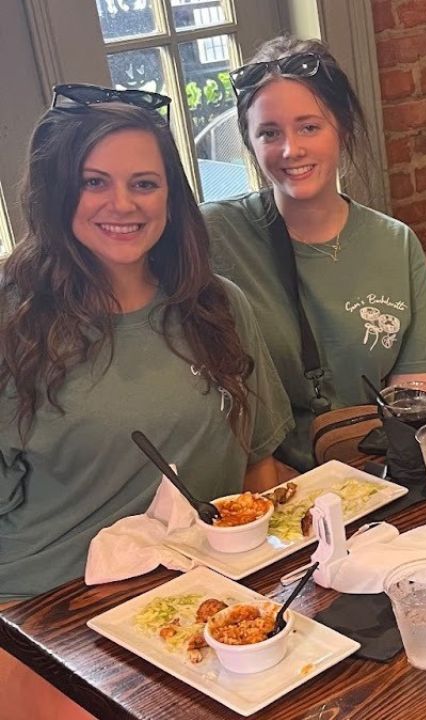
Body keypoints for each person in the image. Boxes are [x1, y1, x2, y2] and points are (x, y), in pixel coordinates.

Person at [0, 89, 291, 716]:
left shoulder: (220, 306)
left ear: (171, 197)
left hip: (197, 599)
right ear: (55, 193)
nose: (123, 204)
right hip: (45, 611)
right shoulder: (10, 323)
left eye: (144, 183)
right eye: (93, 182)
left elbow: (259, 469)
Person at [203, 37, 426, 471]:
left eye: (309, 127)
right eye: (269, 133)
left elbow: (415, 393)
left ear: (342, 127)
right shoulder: (215, 235)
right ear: (250, 143)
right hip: (266, 484)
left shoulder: (396, 243)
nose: (291, 149)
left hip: (376, 475)